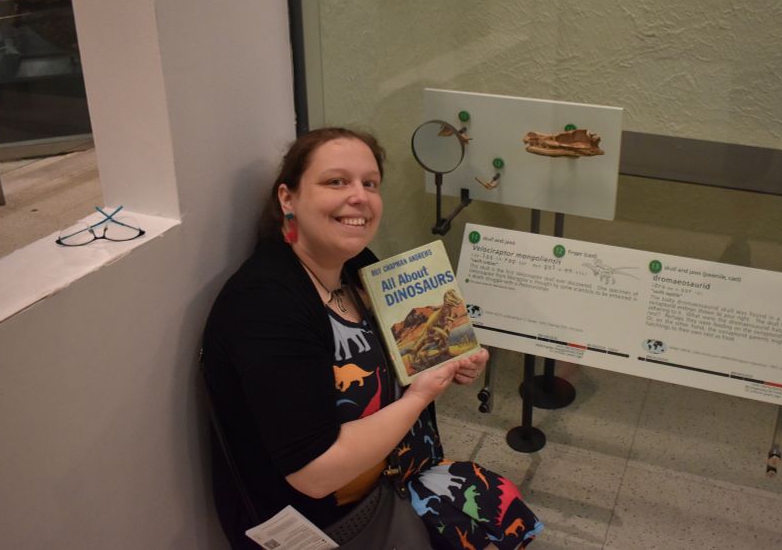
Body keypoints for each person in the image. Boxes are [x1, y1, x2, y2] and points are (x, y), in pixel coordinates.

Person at [202, 128, 543, 549]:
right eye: (336, 181)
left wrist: (450, 360)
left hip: (398, 476)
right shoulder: (265, 304)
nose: (359, 196)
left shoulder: (357, 266)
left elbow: (410, 353)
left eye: (370, 183)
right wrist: (419, 396)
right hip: (331, 526)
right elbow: (316, 472)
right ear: (287, 199)